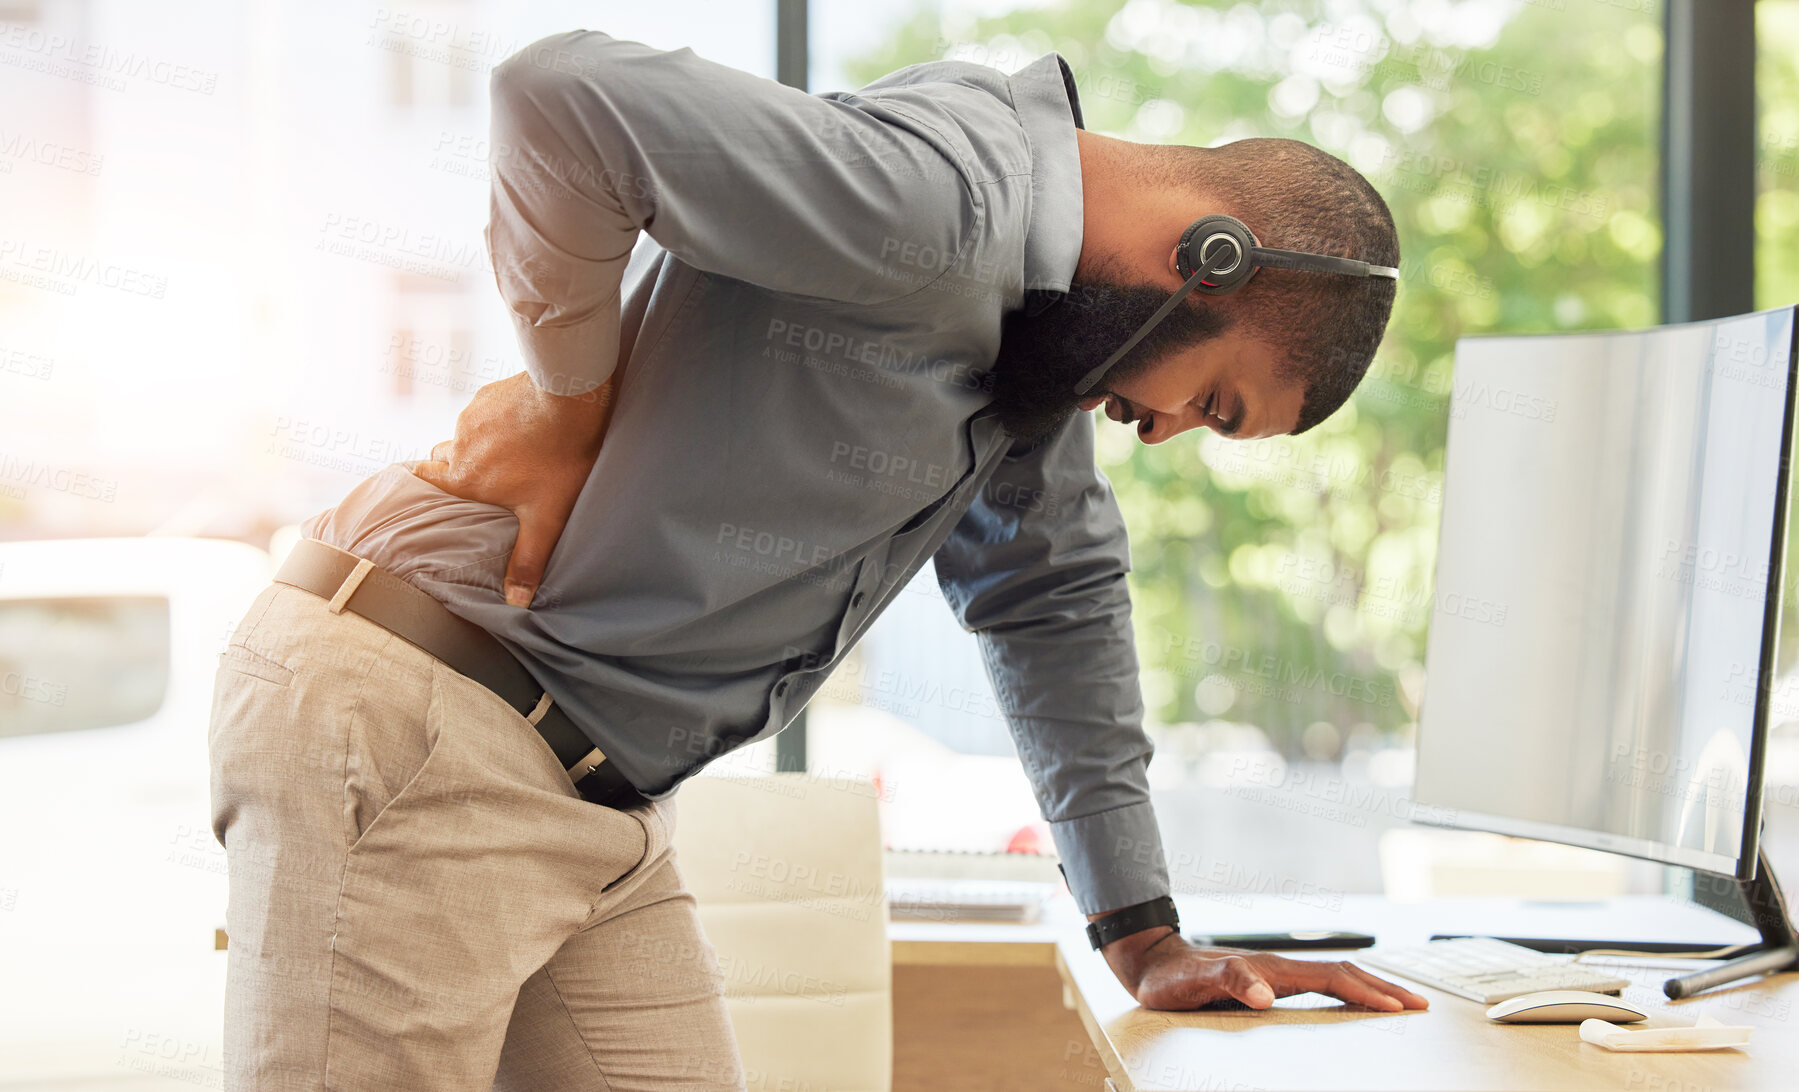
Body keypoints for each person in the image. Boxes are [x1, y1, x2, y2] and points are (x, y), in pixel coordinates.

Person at [208, 26, 1424, 1091]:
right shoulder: (947, 199)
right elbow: (561, 96)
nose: (1160, 432)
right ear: (1208, 257)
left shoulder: (1034, 347)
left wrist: (1144, 936)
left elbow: (1053, 600)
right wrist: (563, 403)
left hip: (596, 800)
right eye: (1214, 401)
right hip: (434, 729)